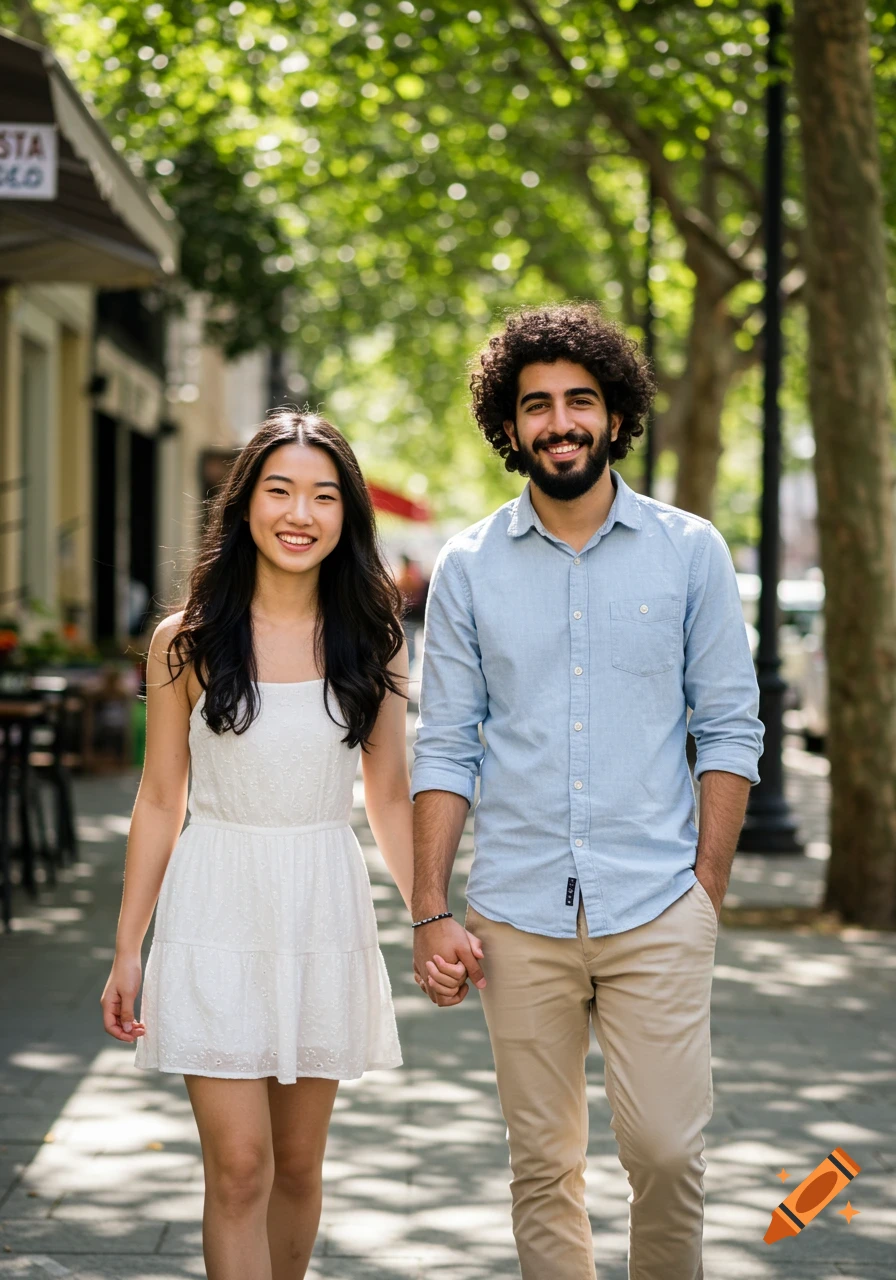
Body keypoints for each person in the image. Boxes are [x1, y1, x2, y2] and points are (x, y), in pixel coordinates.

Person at [411, 303, 764, 1280]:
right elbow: (444, 746)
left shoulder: (688, 550)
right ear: (507, 424)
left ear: (614, 416)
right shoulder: (469, 565)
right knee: (540, 1164)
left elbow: (729, 727)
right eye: (535, 405)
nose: (558, 421)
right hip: (517, 908)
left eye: (579, 400)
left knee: (663, 1150)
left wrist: (705, 887)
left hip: (656, 899)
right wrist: (428, 908)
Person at [100, 409, 464, 1280]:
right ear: (246, 506)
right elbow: (159, 799)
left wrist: (430, 915)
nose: (300, 513)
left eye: (323, 496)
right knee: (240, 1167)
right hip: (216, 901)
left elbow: (384, 792)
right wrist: (126, 948)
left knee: (298, 1166)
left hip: (321, 908)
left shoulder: (372, 639)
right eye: (280, 491)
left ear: (346, 517)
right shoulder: (182, 641)